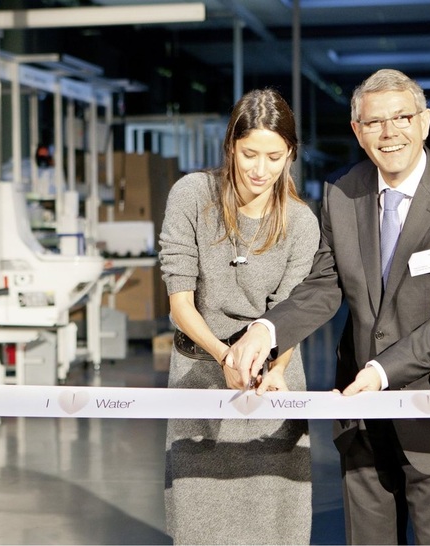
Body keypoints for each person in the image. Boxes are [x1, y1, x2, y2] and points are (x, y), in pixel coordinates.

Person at [225, 69, 430, 545]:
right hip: (361, 417)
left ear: (425, 122)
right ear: (357, 130)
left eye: (402, 118)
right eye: (374, 122)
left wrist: (379, 370)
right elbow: (324, 286)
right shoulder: (341, 192)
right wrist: (265, 331)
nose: (389, 132)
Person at [158, 88, 320, 545]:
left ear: (290, 154)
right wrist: (225, 356)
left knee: (273, 523)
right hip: (199, 372)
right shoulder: (192, 196)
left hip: (271, 378)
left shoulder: (301, 223)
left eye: (274, 157)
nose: (260, 169)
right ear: (231, 146)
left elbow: (292, 312)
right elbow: (180, 302)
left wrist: (277, 369)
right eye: (250, 154)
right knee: (199, 521)